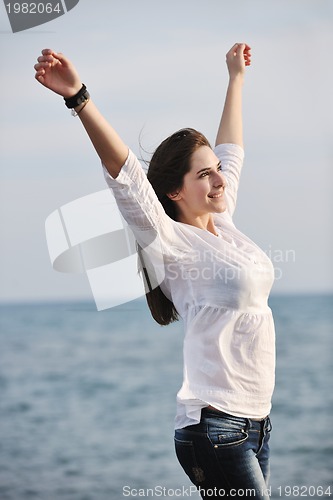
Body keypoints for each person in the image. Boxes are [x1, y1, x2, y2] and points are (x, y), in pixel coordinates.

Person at [34, 43, 275, 499]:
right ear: (175, 191)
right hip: (215, 428)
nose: (219, 179)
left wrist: (235, 79)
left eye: (217, 171)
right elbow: (124, 174)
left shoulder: (223, 222)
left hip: (256, 424)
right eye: (204, 175)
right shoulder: (169, 241)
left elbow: (231, 149)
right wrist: (79, 98)